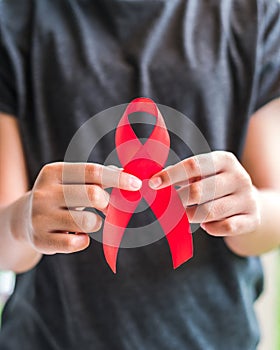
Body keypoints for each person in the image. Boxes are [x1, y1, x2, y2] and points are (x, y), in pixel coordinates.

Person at [0, 0, 280, 349]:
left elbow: (274, 208)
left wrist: (247, 209)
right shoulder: (13, 17)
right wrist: (22, 222)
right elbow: (5, 242)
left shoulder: (254, 13)